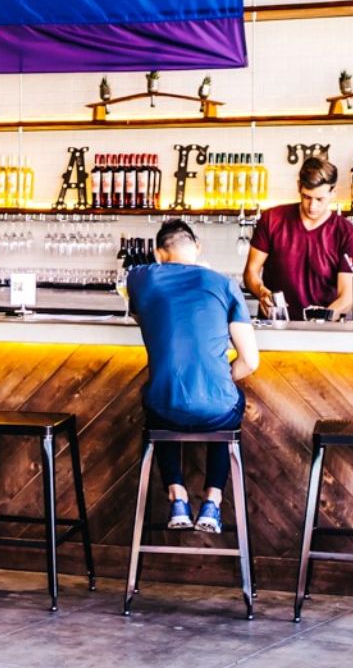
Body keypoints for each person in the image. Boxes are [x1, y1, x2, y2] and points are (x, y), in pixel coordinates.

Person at [127, 218, 259, 533]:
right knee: (225, 403)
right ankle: (212, 502)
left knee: (159, 403)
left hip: (165, 409)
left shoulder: (140, 278)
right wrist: (219, 378)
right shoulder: (223, 283)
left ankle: (177, 496)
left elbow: (138, 314)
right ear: (198, 249)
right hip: (216, 412)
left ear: (159, 254)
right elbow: (251, 361)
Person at [243, 154, 353, 319]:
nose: (312, 206)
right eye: (306, 197)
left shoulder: (346, 233)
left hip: (323, 332)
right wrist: (261, 291)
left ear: (333, 192)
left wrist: (318, 322)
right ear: (299, 187)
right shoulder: (271, 219)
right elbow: (250, 272)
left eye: (320, 199)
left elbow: (347, 296)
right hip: (275, 327)